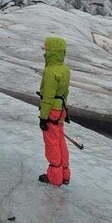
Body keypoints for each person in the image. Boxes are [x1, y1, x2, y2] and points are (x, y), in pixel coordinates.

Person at [37, 36, 71, 186]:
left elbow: (48, 97)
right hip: (61, 109)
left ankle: (54, 176)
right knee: (60, 140)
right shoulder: (65, 69)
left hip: (51, 110)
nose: (45, 50)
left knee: (52, 142)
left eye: (47, 48)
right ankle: (64, 174)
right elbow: (65, 92)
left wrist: (43, 117)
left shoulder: (50, 71)